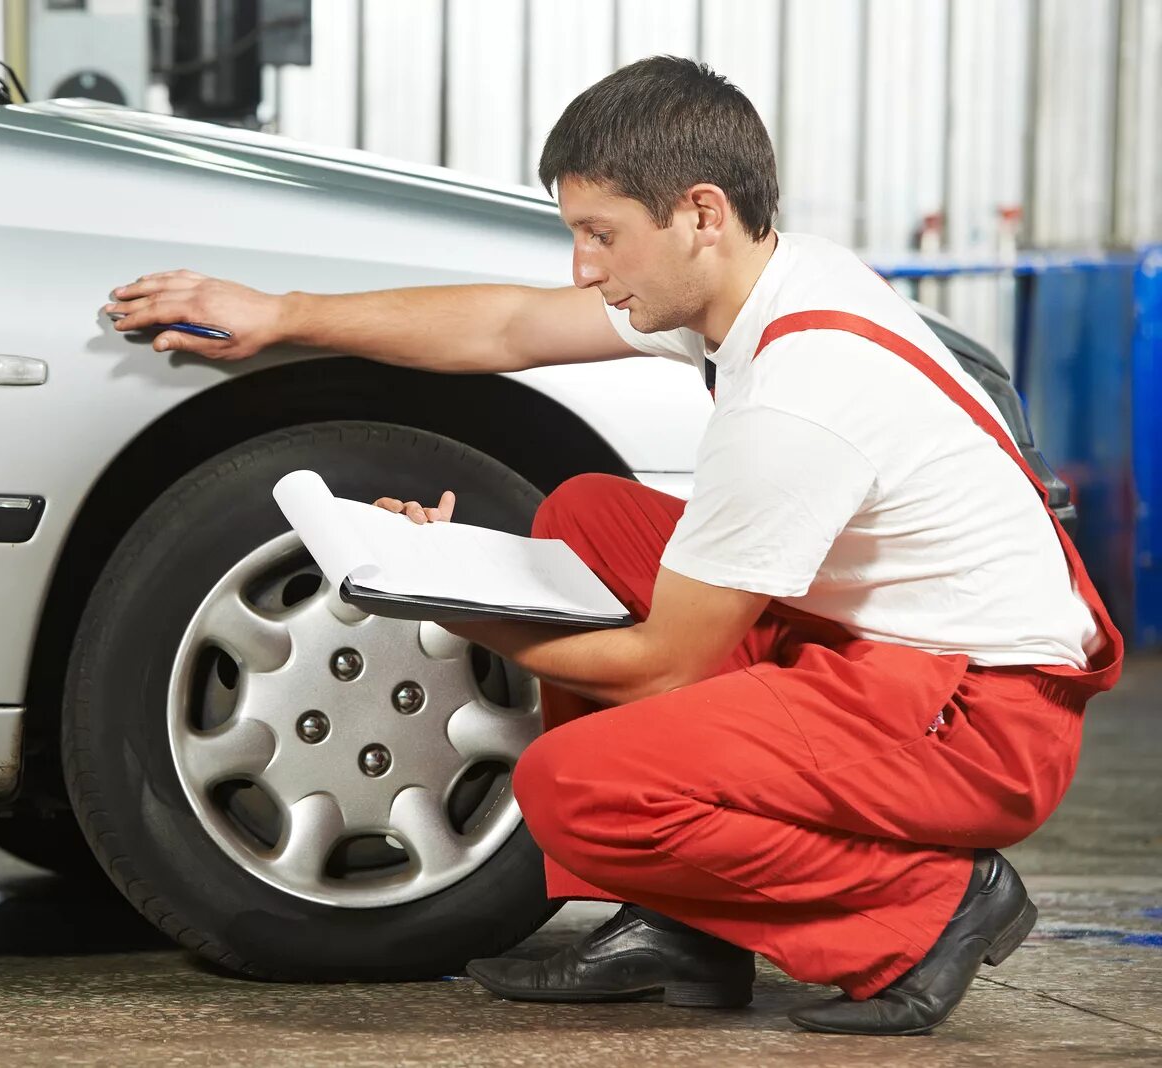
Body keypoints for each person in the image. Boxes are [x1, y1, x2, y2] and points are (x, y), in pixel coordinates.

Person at [100, 56, 1123, 1036]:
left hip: (974, 718)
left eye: (600, 234)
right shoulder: (759, 280)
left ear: (700, 214)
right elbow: (506, 327)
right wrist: (281, 314)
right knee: (591, 517)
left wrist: (460, 607)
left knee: (572, 787)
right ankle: (681, 929)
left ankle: (930, 905)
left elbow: (658, 663)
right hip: (896, 651)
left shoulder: (797, 398)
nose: (583, 267)